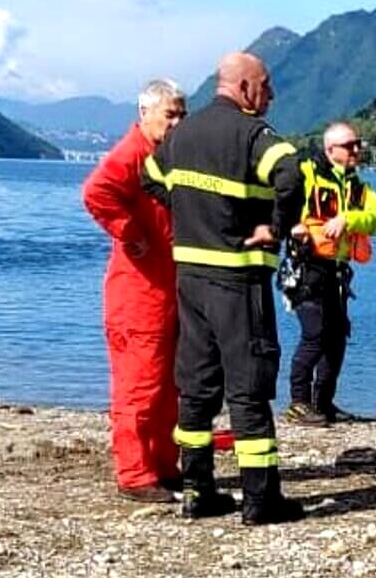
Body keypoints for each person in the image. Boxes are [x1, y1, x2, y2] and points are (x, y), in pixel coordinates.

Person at [142, 52, 306, 525]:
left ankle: (197, 491)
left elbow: (148, 177)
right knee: (248, 390)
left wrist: (187, 212)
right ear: (244, 87)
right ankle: (260, 501)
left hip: (190, 279)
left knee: (195, 388)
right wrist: (275, 226)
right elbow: (292, 172)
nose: (271, 95)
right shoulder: (254, 134)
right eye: (267, 85)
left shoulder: (183, 133)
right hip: (238, 279)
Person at [82, 79, 188, 503]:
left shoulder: (163, 156)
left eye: (182, 114)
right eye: (171, 114)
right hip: (138, 295)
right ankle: (134, 472)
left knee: (167, 387)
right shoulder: (132, 154)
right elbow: (95, 192)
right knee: (139, 386)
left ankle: (163, 464)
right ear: (146, 113)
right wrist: (131, 233)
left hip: (164, 289)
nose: (178, 122)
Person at [282, 122, 376, 427]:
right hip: (305, 268)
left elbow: (375, 218)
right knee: (315, 334)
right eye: (349, 145)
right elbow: (278, 202)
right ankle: (298, 403)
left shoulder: (360, 188)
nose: (356, 150)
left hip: (335, 272)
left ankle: (323, 403)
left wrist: (347, 218)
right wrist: (290, 226)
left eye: (358, 144)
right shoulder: (305, 175)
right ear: (330, 150)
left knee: (337, 339)